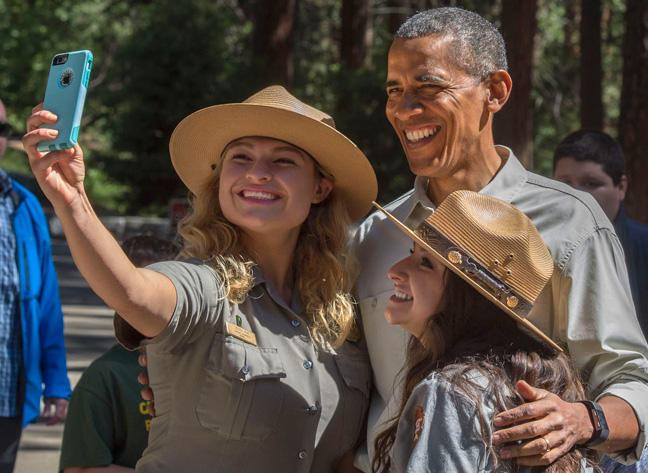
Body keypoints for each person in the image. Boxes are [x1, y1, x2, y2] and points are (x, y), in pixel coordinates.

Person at [351, 7, 648, 471]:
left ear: (495, 91)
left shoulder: (570, 225)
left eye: (428, 86)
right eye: (395, 91)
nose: (403, 109)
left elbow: (635, 382)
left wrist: (581, 420)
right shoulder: (373, 234)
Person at [23, 86, 377, 472]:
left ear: (320, 189)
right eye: (240, 157)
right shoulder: (203, 285)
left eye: (283, 160)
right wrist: (73, 200)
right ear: (220, 178)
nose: (258, 172)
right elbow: (133, 291)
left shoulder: (340, 313)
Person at [371, 190, 593, 473]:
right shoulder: (540, 383)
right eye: (411, 253)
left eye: (425, 263)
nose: (394, 270)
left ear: (466, 297)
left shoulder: (451, 392)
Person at [553, 129, 648, 411]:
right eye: (565, 182)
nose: (577, 194)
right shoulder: (537, 245)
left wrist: (645, 418)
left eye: (591, 183)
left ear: (621, 188)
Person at [59, 234, 179, 473]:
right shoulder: (105, 376)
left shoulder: (202, 362)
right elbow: (80, 468)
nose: (156, 300)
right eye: (142, 288)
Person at [0, 97, 71, 473]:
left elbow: (45, 303)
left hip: (7, 398)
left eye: (2, 129)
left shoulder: (24, 205)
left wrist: (56, 381)